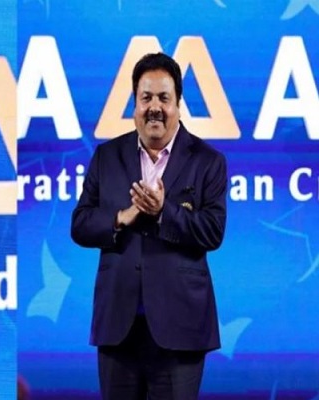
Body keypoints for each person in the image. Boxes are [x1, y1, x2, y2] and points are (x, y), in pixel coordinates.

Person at [71, 52, 227, 399]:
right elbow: (80, 224)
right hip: (118, 328)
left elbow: (213, 231)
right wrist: (120, 218)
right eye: (146, 98)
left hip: (181, 329)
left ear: (178, 104)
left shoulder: (208, 161)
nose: (154, 107)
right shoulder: (107, 157)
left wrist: (162, 212)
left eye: (163, 98)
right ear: (134, 104)